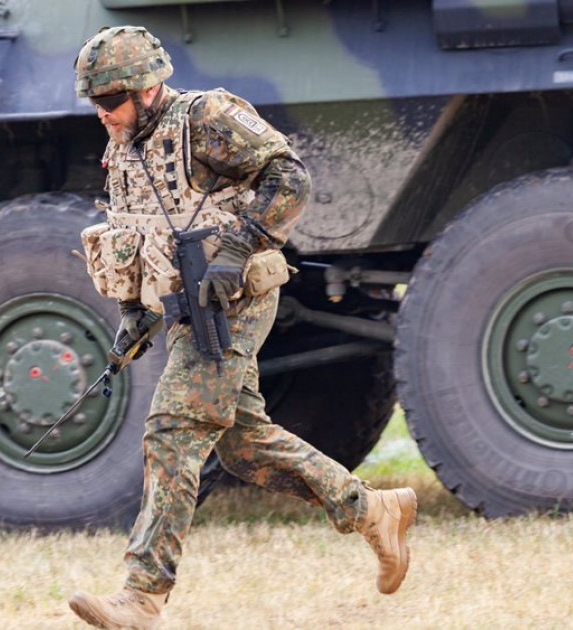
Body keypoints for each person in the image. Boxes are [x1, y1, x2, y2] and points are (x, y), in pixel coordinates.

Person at [70, 25, 417, 630]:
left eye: (108, 101)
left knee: (174, 428)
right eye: (95, 104)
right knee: (242, 444)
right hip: (183, 306)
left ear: (146, 88)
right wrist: (134, 315)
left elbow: (291, 177)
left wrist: (240, 246)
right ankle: (374, 512)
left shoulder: (207, 117)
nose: (101, 114)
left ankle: (142, 594)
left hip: (237, 297)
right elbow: (137, 235)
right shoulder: (125, 148)